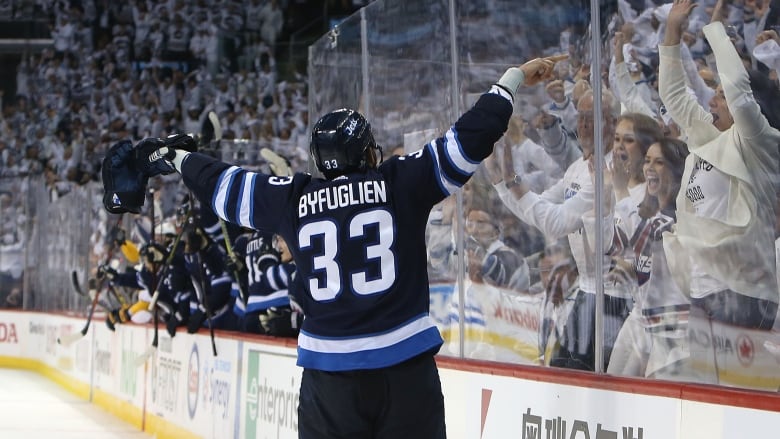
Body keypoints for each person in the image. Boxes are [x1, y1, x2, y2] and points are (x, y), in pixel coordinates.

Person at [119, 56, 564, 438]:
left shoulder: (293, 198)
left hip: (330, 379)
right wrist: (511, 79)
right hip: (405, 371)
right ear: (368, 152)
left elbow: (226, 186)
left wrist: (174, 158)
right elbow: (471, 137)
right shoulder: (400, 181)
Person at [659, 0, 780, 384]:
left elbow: (741, 92)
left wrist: (715, 31)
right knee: (705, 393)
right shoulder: (708, 137)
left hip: (744, 290)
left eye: (720, 95)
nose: (712, 98)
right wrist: (672, 34)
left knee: (738, 393)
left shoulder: (759, 144)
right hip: (702, 286)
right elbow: (676, 97)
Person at [606, 137, 691, 380]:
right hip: (639, 319)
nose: (649, 168)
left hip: (671, 331)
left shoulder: (682, 217)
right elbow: (642, 257)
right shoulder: (648, 211)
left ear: (676, 170)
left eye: (659, 162)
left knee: (647, 401)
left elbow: (641, 238)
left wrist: (621, 190)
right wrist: (628, 269)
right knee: (611, 387)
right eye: (647, 161)